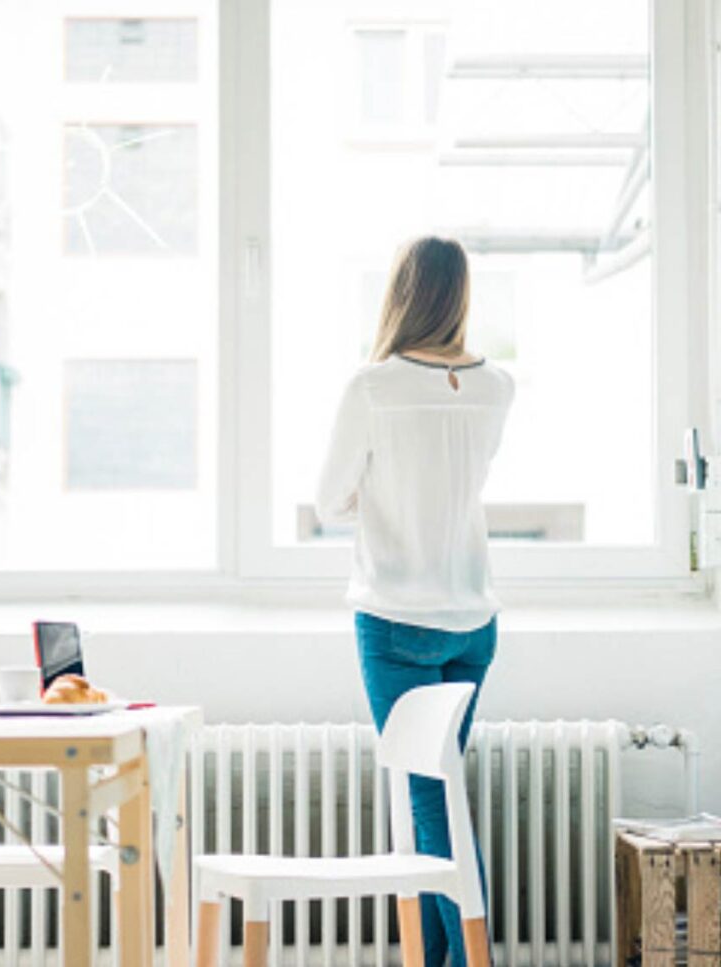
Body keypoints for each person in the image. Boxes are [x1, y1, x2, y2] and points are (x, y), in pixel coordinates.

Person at [315, 236, 514, 967]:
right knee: (440, 799)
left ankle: (464, 960)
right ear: (458, 296)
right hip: (472, 621)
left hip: (396, 621)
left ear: (402, 293)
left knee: (430, 806)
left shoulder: (373, 387)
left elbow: (329, 499)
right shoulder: (498, 386)